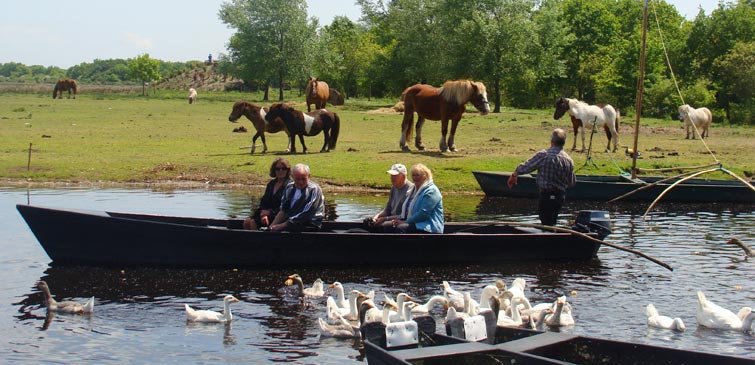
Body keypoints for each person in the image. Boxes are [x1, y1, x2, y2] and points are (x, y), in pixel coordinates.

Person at [507, 128, 576, 226]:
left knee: (546, 221)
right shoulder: (569, 160)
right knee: (552, 220)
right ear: (563, 142)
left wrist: (515, 174)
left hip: (546, 195)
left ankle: (547, 239)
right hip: (560, 197)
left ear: (551, 141)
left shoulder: (544, 155)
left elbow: (527, 167)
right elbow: (571, 182)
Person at [388, 163, 444, 233]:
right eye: (413, 175)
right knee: (388, 226)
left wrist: (405, 222)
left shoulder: (431, 191)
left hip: (429, 227)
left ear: (425, 176)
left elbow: (423, 214)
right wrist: (399, 220)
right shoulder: (413, 190)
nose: (415, 177)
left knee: (401, 228)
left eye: (418, 175)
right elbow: (406, 212)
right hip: (415, 224)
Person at [269, 163, 325, 232]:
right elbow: (283, 210)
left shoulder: (314, 189)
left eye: (304, 179)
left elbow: (306, 213)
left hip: (310, 223)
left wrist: (282, 225)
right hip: (291, 222)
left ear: (309, 176)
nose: (301, 182)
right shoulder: (289, 187)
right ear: (292, 177)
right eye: (297, 179)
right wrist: (272, 226)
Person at [243, 158, 292, 230]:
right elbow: (264, 202)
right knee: (247, 222)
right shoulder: (271, 184)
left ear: (287, 170)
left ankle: (257, 240)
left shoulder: (290, 185)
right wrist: (264, 214)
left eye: (283, 169)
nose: (280, 171)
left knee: (253, 222)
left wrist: (270, 212)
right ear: (274, 170)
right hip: (266, 214)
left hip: (279, 216)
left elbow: (287, 207)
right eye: (278, 169)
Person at [366, 163, 414, 231]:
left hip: (401, 220)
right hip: (390, 218)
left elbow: (405, 215)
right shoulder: (393, 188)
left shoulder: (411, 189)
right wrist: (376, 217)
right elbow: (387, 209)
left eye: (395, 175)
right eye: (391, 175)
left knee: (384, 225)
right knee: (368, 222)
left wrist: (385, 219)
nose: (392, 177)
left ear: (403, 176)